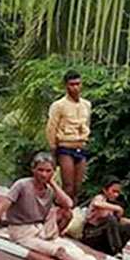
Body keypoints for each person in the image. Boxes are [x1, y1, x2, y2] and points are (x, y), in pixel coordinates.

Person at [0, 152, 118, 260]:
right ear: (33, 170)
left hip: (41, 230)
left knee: (73, 248)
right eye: (40, 170)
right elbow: (3, 206)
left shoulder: (50, 190)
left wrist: (52, 183)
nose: (44, 174)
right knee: (59, 250)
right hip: (22, 232)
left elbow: (68, 204)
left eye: (48, 171)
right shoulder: (22, 185)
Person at [46, 70, 91, 202]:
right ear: (66, 85)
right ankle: (61, 210)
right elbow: (51, 127)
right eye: (72, 84)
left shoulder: (86, 105)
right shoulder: (59, 105)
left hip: (81, 145)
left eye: (78, 84)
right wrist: (53, 148)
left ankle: (73, 211)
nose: (75, 87)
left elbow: (87, 123)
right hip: (65, 146)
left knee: (78, 187)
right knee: (68, 186)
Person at [82, 179, 130, 256]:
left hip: (104, 239)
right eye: (113, 191)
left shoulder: (113, 203)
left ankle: (111, 250)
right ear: (105, 190)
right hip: (91, 235)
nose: (116, 195)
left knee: (128, 227)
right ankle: (117, 250)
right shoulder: (100, 198)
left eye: (117, 192)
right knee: (110, 220)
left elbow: (120, 221)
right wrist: (117, 208)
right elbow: (96, 203)